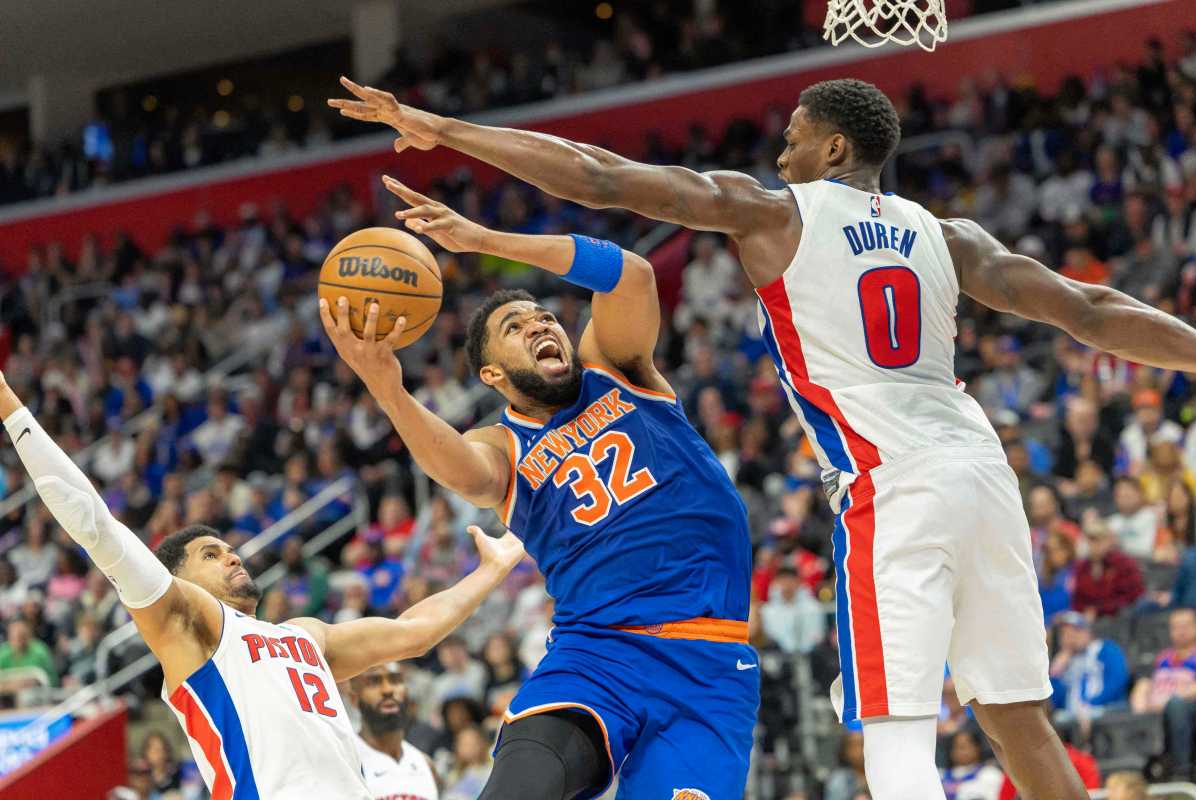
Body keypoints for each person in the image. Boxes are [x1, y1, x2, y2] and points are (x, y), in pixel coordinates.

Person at [331, 73, 1196, 800]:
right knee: (1016, 718)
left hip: (887, 482)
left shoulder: (770, 217)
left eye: (793, 137)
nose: (779, 152)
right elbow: (1091, 311)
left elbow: (602, 180)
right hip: (978, 466)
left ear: (831, 150)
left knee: (895, 730)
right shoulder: (948, 236)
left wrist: (443, 131)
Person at [318, 176, 756, 799]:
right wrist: (388, 388)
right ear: (492, 372)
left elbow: (631, 274)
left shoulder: (615, 367)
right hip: (595, 655)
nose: (539, 325)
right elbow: (458, 471)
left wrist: (483, 239)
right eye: (516, 328)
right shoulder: (502, 445)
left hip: (708, 663)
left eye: (543, 316)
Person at [0, 370, 523, 798]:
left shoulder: (305, 634)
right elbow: (96, 525)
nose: (231, 555)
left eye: (229, 547)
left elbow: (414, 631)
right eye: (210, 554)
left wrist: (490, 570)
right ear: (179, 581)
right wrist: (10, 407)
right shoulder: (193, 629)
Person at [345, 662, 440, 800]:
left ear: (407, 692)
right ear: (354, 698)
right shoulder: (345, 759)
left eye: (395, 681)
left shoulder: (425, 763)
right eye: (374, 682)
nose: (388, 690)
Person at [1128, 607, 1196, 779]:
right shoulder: (1163, 658)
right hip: (1160, 716)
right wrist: (1140, 702)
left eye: (1186, 626)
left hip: (1192, 715)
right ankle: (1139, 775)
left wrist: (1168, 701)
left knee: (1176, 706)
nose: (1180, 631)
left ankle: (1182, 773)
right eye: (1176, 627)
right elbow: (1145, 683)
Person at [1048, 611, 1130, 727]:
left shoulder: (1106, 649)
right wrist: (1056, 672)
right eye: (1065, 634)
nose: (1070, 638)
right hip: (1072, 715)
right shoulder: (1065, 661)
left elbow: (1117, 680)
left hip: (1105, 709)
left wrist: (1090, 704)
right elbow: (1057, 702)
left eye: (1075, 631)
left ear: (1087, 632)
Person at [1071, 517, 1145, 618]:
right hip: (1088, 619)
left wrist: (1099, 610)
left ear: (1109, 540)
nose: (1094, 545)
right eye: (1091, 540)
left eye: (1099, 540)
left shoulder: (1124, 563)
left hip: (1118, 618)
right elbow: (1078, 599)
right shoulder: (1081, 567)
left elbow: (1132, 596)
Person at [940, 728, 1005, 800]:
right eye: (957, 747)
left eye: (964, 747)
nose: (961, 752)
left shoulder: (990, 774)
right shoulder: (940, 775)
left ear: (977, 748)